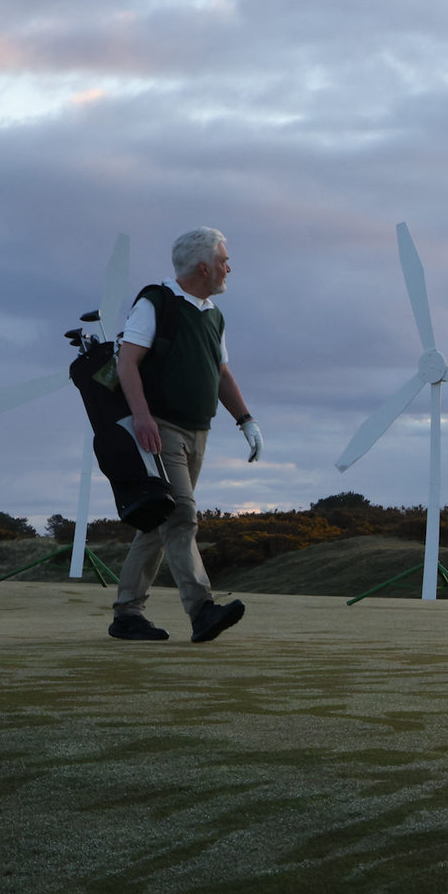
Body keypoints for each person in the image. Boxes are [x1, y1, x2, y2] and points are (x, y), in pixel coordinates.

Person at [109, 228, 262, 643]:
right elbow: (127, 364)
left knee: (160, 524)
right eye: (224, 260)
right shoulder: (155, 302)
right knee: (181, 517)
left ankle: (127, 613)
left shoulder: (213, 314)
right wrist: (142, 418)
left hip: (200, 432)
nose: (229, 267)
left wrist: (245, 419)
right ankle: (201, 610)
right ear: (203, 266)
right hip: (161, 430)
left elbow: (222, 373)